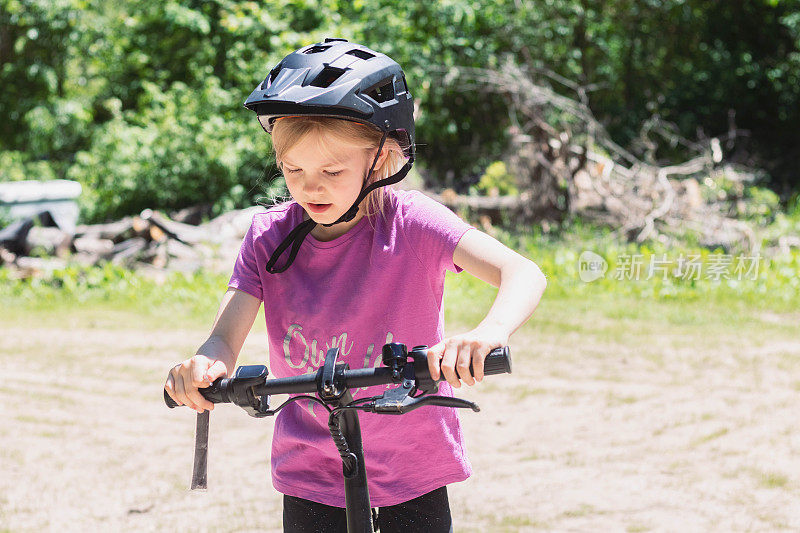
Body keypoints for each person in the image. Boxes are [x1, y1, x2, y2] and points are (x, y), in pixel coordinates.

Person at [164, 38, 547, 533]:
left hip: (413, 470)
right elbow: (223, 339)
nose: (309, 187)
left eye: (331, 170)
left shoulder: (411, 224)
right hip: (312, 473)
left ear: (383, 157)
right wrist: (205, 366)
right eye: (293, 169)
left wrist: (489, 332)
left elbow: (524, 273)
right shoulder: (269, 236)